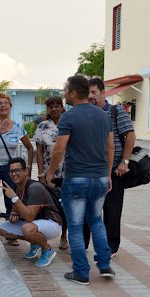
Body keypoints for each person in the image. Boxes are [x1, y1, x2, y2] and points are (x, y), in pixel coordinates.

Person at [46, 75, 116, 285]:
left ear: (74, 93)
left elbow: (59, 149)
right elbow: (110, 147)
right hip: (100, 178)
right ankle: (104, 265)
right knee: (96, 221)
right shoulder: (104, 116)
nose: (64, 93)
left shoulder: (69, 117)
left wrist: (50, 173)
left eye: (65, 90)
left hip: (76, 178)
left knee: (75, 226)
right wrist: (108, 174)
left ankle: (81, 273)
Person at [83, 78, 136, 257]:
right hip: (89, 170)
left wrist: (124, 162)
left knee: (111, 211)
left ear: (103, 93)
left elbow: (130, 136)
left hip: (113, 170)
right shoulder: (85, 113)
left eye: (94, 92)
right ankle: (82, 244)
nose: (90, 96)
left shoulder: (116, 111)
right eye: (87, 93)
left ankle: (110, 248)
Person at [0, 92, 34, 249]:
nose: (3, 106)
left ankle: (11, 235)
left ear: (10, 106)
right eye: (0, 103)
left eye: (6, 103)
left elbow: (30, 147)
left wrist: (28, 168)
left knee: (13, 202)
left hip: (10, 170)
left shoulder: (17, 127)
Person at [0, 158, 63, 267]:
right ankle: (35, 243)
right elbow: (15, 209)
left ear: (26, 171)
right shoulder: (19, 188)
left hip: (52, 223)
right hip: (36, 223)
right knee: (1, 229)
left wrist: (13, 197)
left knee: (27, 228)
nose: (14, 174)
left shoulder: (35, 187)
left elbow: (29, 217)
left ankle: (47, 249)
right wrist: (14, 215)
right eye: (11, 171)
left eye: (17, 170)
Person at [33, 95, 68, 250]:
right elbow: (39, 152)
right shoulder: (42, 127)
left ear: (62, 107)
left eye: (57, 105)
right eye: (51, 106)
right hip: (49, 174)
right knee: (49, 206)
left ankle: (64, 236)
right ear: (47, 109)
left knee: (67, 206)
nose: (54, 109)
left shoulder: (69, 123)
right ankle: (43, 239)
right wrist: (41, 174)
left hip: (69, 173)